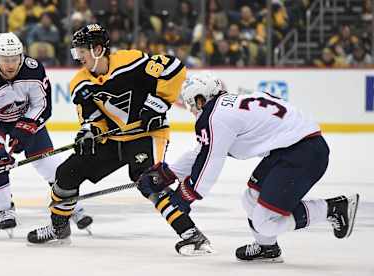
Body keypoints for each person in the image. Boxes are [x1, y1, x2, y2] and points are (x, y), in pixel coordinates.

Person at [27, 24, 213, 256]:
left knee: (150, 181)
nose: (78, 57)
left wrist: (157, 105)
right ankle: (59, 229)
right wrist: (90, 131)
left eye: (81, 52)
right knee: (66, 173)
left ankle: (191, 235)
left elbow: (173, 68)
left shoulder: (131, 61)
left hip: (146, 135)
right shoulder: (80, 83)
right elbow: (91, 117)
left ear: (97, 49)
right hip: (113, 138)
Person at [137, 72, 360, 262]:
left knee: (265, 222)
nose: (194, 111)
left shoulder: (214, 116)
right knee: (250, 198)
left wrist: (186, 195)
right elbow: (203, 151)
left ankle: (333, 208)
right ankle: (267, 248)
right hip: (293, 148)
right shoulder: (230, 105)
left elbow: (210, 161)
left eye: (192, 104)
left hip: (303, 154)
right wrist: (168, 173)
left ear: (200, 99)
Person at [0, 32, 93, 237]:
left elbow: (43, 106)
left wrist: (25, 128)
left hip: (25, 118)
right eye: (6, 60)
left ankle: (71, 206)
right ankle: (5, 209)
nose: (11, 65)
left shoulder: (33, 70)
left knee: (50, 163)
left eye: (15, 59)